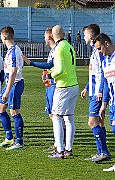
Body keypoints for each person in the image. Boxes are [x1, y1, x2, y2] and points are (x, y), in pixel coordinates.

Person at [22, 27, 60, 152]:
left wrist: (31, 62)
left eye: (45, 36)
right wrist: (45, 74)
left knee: (56, 115)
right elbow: (50, 68)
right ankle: (58, 142)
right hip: (49, 85)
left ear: (49, 37)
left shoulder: (56, 50)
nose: (44, 38)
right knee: (51, 115)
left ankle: (60, 143)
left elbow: (51, 65)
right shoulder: (52, 50)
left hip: (55, 85)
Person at [80, 24, 111, 162]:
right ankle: (102, 152)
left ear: (91, 36)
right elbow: (95, 74)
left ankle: (103, 151)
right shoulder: (94, 51)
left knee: (92, 122)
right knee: (99, 122)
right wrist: (87, 87)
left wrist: (99, 91)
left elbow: (104, 73)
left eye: (85, 35)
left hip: (97, 92)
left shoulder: (98, 52)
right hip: (93, 91)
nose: (84, 37)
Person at [47, 25, 78, 159]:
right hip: (74, 85)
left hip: (63, 86)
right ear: (64, 34)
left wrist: (50, 74)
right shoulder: (70, 46)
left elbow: (59, 70)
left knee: (56, 116)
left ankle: (59, 150)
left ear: (53, 35)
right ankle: (68, 148)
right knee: (69, 118)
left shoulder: (58, 48)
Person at [0, 26, 25, 150]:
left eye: (1, 35)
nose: (1, 38)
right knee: (0, 109)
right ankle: (9, 137)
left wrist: (7, 90)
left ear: (5, 36)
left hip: (15, 84)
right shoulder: (10, 50)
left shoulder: (14, 50)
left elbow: (14, 71)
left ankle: (19, 142)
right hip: (9, 84)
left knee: (14, 112)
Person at [97, 33, 115, 171]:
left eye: (100, 48)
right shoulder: (105, 62)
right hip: (112, 105)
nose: (99, 52)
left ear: (107, 44)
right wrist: (103, 105)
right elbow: (106, 85)